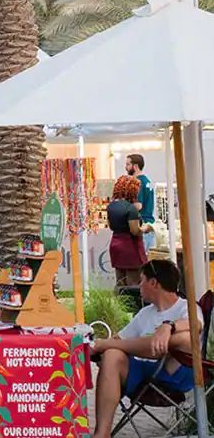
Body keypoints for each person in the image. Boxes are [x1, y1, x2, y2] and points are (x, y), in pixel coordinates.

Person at [91, 259, 193, 438]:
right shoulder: (145, 313)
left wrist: (168, 326)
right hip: (145, 373)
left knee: (184, 338)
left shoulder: (187, 307)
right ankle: (102, 433)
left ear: (153, 283)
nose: (139, 285)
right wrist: (100, 349)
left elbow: (196, 325)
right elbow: (119, 339)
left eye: (141, 280)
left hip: (174, 374)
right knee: (112, 354)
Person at [108, 175, 150, 285]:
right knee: (133, 282)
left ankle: (120, 297)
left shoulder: (111, 206)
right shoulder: (131, 209)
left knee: (120, 281)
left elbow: (110, 226)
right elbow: (135, 231)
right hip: (130, 247)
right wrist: (146, 228)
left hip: (116, 245)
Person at [128, 153, 155, 226]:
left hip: (140, 224)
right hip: (148, 223)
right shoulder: (147, 181)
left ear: (135, 166)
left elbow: (138, 206)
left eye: (128, 164)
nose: (125, 167)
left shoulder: (137, 182)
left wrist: (122, 206)